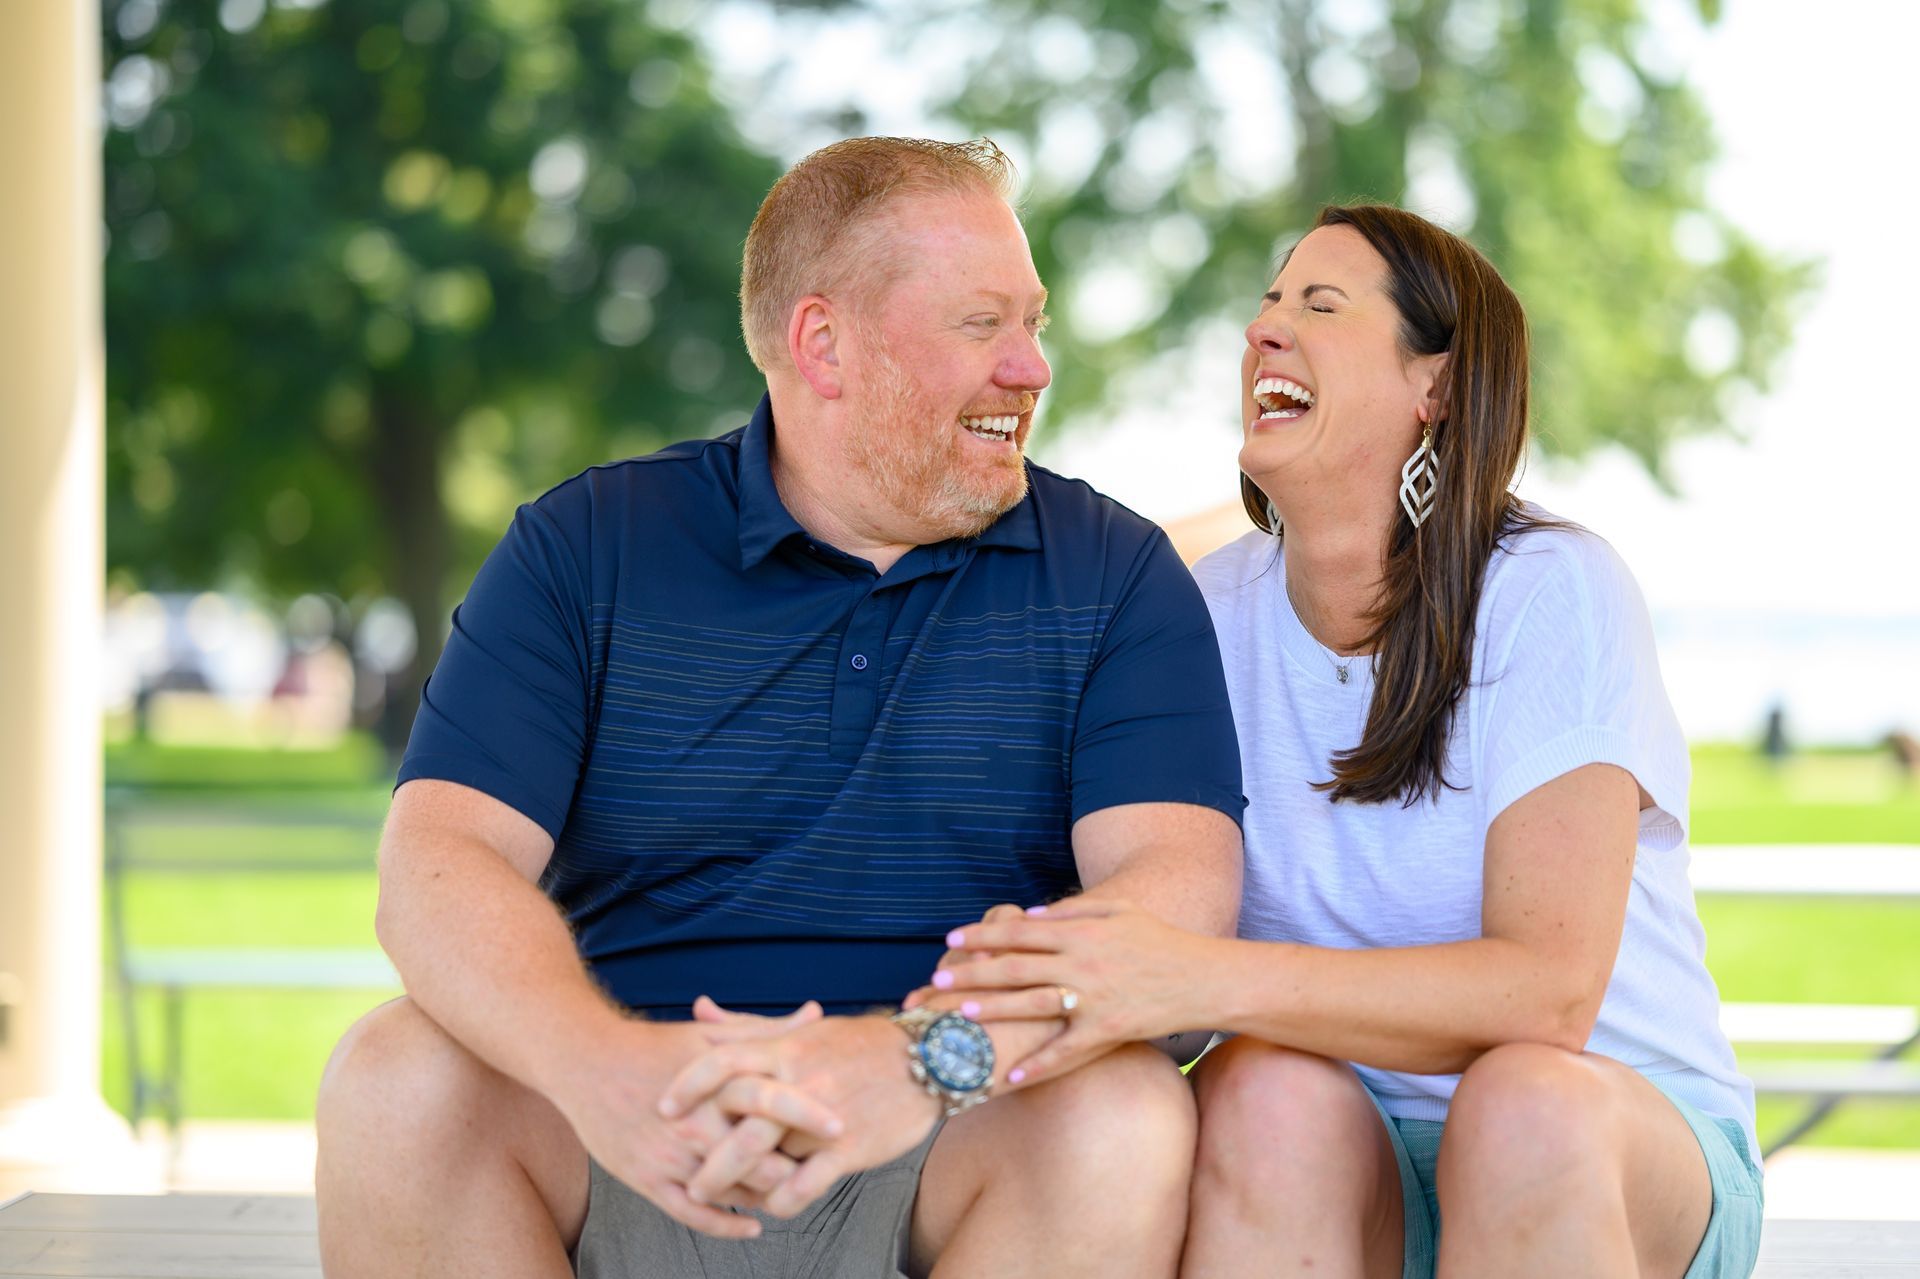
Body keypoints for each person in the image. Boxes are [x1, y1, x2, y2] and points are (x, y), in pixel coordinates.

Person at [312, 136, 1247, 1278]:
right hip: (624, 1132)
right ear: (824, 344)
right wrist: (604, 1069)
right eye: (981, 325)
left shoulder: (1114, 573)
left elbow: (1173, 899)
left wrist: (914, 1060)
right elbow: (437, 863)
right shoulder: (586, 545)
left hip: (951, 1133)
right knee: (395, 1079)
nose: (1031, 368)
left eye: (1033, 322)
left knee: (1121, 1115)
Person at [915, 204, 1763, 1278]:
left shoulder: (1554, 588)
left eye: (1320, 305)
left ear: (1436, 388)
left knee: (1521, 1102)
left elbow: (1547, 996)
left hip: (1607, 1150)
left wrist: (1201, 978)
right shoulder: (1195, 617)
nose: (1265, 330)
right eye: (1268, 303)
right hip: (1340, 1164)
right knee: (1260, 1087)